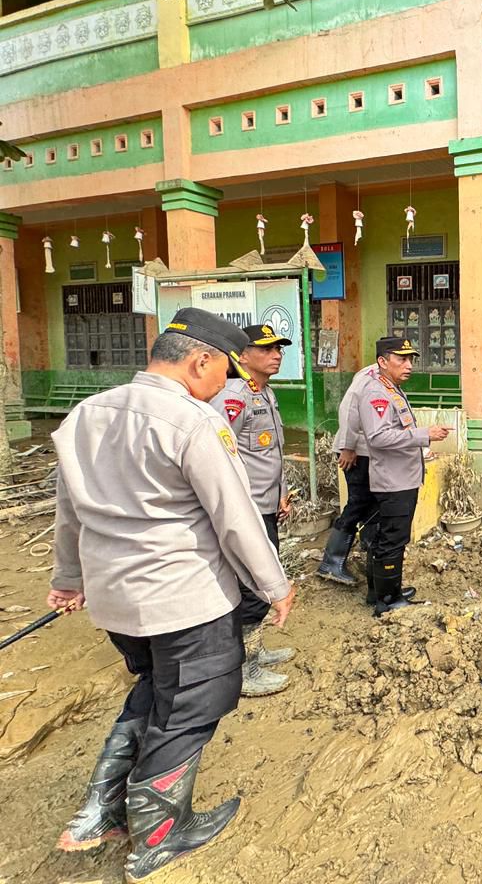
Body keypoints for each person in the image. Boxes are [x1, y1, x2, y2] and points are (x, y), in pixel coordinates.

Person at [49, 308, 296, 881]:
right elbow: (234, 517)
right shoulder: (191, 421)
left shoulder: (85, 415)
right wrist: (274, 586)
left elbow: (70, 514)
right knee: (192, 705)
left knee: (157, 687)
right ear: (199, 360)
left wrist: (68, 580)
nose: (225, 384)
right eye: (223, 372)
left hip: (115, 600)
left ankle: (98, 812)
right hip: (183, 597)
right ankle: (159, 836)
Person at [209, 323, 295, 698]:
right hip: (245, 510)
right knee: (251, 585)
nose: (276, 354)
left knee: (259, 582)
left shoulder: (264, 392)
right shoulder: (233, 396)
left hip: (265, 503)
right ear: (241, 356)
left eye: (279, 349)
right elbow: (220, 459)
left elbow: (268, 453)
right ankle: (243, 668)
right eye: (267, 349)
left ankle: (255, 649)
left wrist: (282, 491)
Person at [351, 336, 450, 615]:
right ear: (383, 362)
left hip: (402, 477)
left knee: (389, 538)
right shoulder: (377, 394)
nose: (409, 365)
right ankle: (387, 601)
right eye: (401, 359)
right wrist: (425, 435)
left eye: (411, 360)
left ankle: (383, 591)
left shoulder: (391, 388)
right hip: (393, 481)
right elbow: (379, 437)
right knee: (392, 540)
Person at [318, 357, 383, 590]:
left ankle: (371, 555)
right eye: (401, 358)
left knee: (374, 504)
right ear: (386, 358)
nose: (407, 365)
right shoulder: (368, 377)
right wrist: (347, 446)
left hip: (372, 453)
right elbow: (348, 410)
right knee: (357, 503)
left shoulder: (387, 379)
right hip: (357, 452)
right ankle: (331, 562)